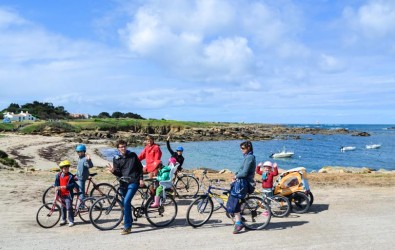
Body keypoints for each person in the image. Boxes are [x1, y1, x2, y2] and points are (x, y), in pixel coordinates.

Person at [107, 140, 145, 235]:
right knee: (124, 203)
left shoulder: (133, 155)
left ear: (126, 146)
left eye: (124, 146)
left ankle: (127, 227)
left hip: (133, 181)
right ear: (118, 148)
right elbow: (119, 173)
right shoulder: (116, 158)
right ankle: (129, 219)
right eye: (121, 147)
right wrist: (113, 171)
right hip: (123, 183)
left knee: (127, 201)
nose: (123, 148)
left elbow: (140, 168)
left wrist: (141, 179)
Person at [227, 140, 256, 234]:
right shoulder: (247, 157)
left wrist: (236, 176)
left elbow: (245, 172)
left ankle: (239, 223)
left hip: (244, 184)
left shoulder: (250, 157)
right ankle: (239, 218)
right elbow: (241, 170)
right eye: (241, 148)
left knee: (234, 203)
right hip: (241, 182)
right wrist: (235, 176)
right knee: (233, 201)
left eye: (243, 148)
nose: (241, 150)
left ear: (248, 148)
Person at [54, 160, 79, 227]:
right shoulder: (58, 175)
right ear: (62, 169)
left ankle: (71, 220)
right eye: (65, 168)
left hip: (68, 194)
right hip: (61, 194)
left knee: (69, 207)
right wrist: (56, 186)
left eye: (67, 168)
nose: (66, 169)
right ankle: (64, 219)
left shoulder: (70, 176)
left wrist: (65, 186)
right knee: (63, 207)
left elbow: (73, 184)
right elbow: (56, 182)